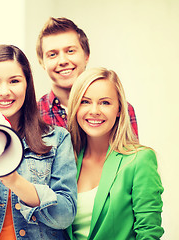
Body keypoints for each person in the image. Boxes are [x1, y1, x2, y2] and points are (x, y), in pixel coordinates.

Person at [0, 44, 77, 239]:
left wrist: (14, 181)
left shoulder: (57, 139)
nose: (4, 91)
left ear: (27, 84)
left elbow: (65, 215)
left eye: (14, 81)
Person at [65, 67, 164, 239]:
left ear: (119, 109)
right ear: (75, 107)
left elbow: (149, 232)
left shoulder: (139, 160)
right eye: (85, 101)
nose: (94, 110)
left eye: (105, 102)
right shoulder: (66, 161)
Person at [36, 17, 138, 137]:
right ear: (42, 62)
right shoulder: (34, 115)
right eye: (52, 54)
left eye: (70, 51)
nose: (62, 61)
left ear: (86, 56)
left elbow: (132, 154)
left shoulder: (119, 110)